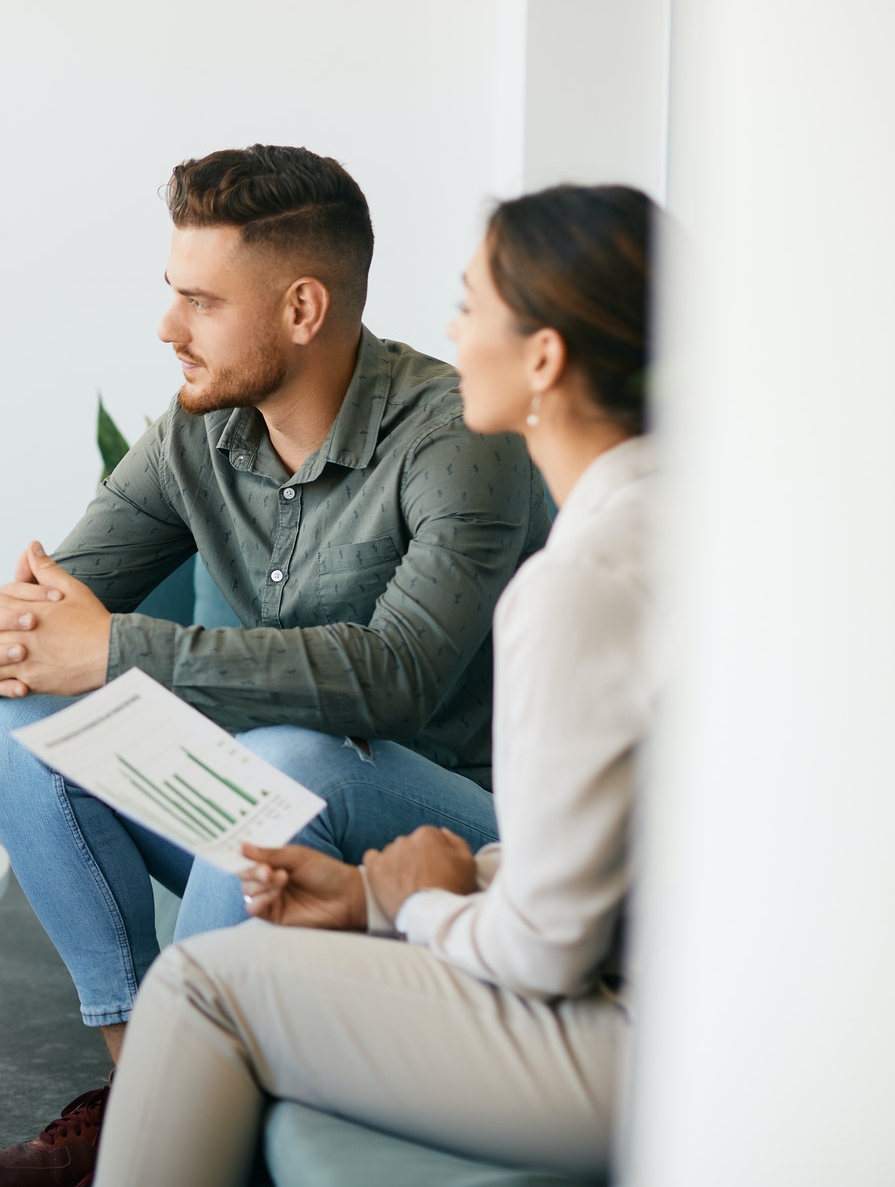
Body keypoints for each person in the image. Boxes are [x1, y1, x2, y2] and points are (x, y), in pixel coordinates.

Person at [0, 145, 553, 1187]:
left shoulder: (456, 433)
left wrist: (111, 647)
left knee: (296, 760)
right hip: (263, 831)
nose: (166, 329)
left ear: (300, 308)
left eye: (199, 301)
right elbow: (51, 608)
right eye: (169, 295)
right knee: (11, 729)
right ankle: (147, 1088)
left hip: (454, 830)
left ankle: (174, 1120)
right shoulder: (198, 431)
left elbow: (397, 673)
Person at [91, 184, 654, 1185]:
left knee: (198, 984)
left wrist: (411, 903)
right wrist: (367, 893)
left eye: (469, 303)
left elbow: (544, 955)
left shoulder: (575, 585)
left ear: (542, 358)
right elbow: (627, 866)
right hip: (671, 983)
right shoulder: (673, 522)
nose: (446, 331)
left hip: (656, 1047)